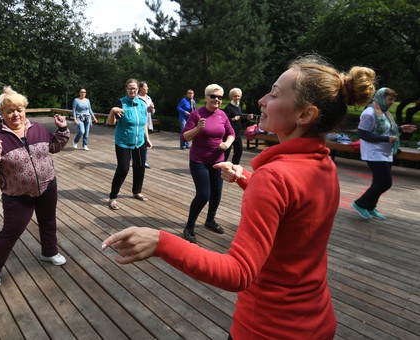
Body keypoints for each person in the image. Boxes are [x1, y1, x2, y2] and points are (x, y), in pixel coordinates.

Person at [101, 55, 377, 339]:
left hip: (268, 329)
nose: (261, 100)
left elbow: (239, 272)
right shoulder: (324, 165)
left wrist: (161, 241)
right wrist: (247, 178)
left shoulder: (274, 178)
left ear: (305, 115)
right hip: (318, 321)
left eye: (274, 93)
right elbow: (296, 214)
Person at [0, 91, 70, 289]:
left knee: (48, 221)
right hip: (17, 195)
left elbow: (54, 147)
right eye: (10, 111)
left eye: (19, 110)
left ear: (24, 109)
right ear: (2, 113)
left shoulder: (38, 129)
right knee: (11, 231)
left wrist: (62, 130)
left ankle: (49, 251)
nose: (16, 114)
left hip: (47, 185)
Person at [352, 88, 417, 220]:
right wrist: (385, 139)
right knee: (385, 182)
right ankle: (360, 204)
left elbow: (385, 130)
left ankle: (370, 207)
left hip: (386, 152)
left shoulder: (384, 112)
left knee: (378, 181)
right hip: (374, 153)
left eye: (393, 99)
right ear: (381, 98)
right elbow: (362, 134)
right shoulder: (369, 113)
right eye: (390, 99)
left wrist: (400, 128)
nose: (392, 102)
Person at [182, 84, 235, 242]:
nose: (217, 99)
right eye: (213, 96)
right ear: (206, 97)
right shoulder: (197, 114)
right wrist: (198, 128)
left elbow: (231, 133)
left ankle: (210, 220)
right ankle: (189, 226)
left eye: (219, 97)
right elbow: (185, 137)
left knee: (217, 193)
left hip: (218, 161)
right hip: (199, 161)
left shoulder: (222, 115)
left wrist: (227, 144)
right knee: (204, 194)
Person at [107, 78, 152, 210]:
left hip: (139, 141)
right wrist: (112, 111)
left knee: (140, 166)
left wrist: (147, 138)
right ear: (126, 89)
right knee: (123, 168)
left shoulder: (141, 103)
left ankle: (137, 191)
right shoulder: (121, 103)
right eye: (130, 88)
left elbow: (143, 122)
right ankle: (113, 197)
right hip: (123, 142)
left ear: (138, 89)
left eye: (134, 88)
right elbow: (110, 123)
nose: (132, 90)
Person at [223, 88, 252, 165]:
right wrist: (232, 119)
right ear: (231, 97)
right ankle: (219, 167)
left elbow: (241, 119)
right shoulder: (228, 108)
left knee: (239, 151)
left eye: (238, 96)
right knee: (226, 152)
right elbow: (224, 120)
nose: (237, 98)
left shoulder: (238, 107)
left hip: (237, 134)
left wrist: (247, 118)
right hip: (229, 133)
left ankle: (234, 166)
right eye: (235, 96)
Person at [138, 81, 155, 168]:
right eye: (146, 86)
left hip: (147, 123)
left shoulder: (149, 98)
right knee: (140, 141)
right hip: (138, 123)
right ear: (140, 88)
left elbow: (152, 112)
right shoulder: (136, 98)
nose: (147, 88)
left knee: (144, 142)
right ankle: (139, 159)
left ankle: (143, 161)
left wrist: (152, 108)